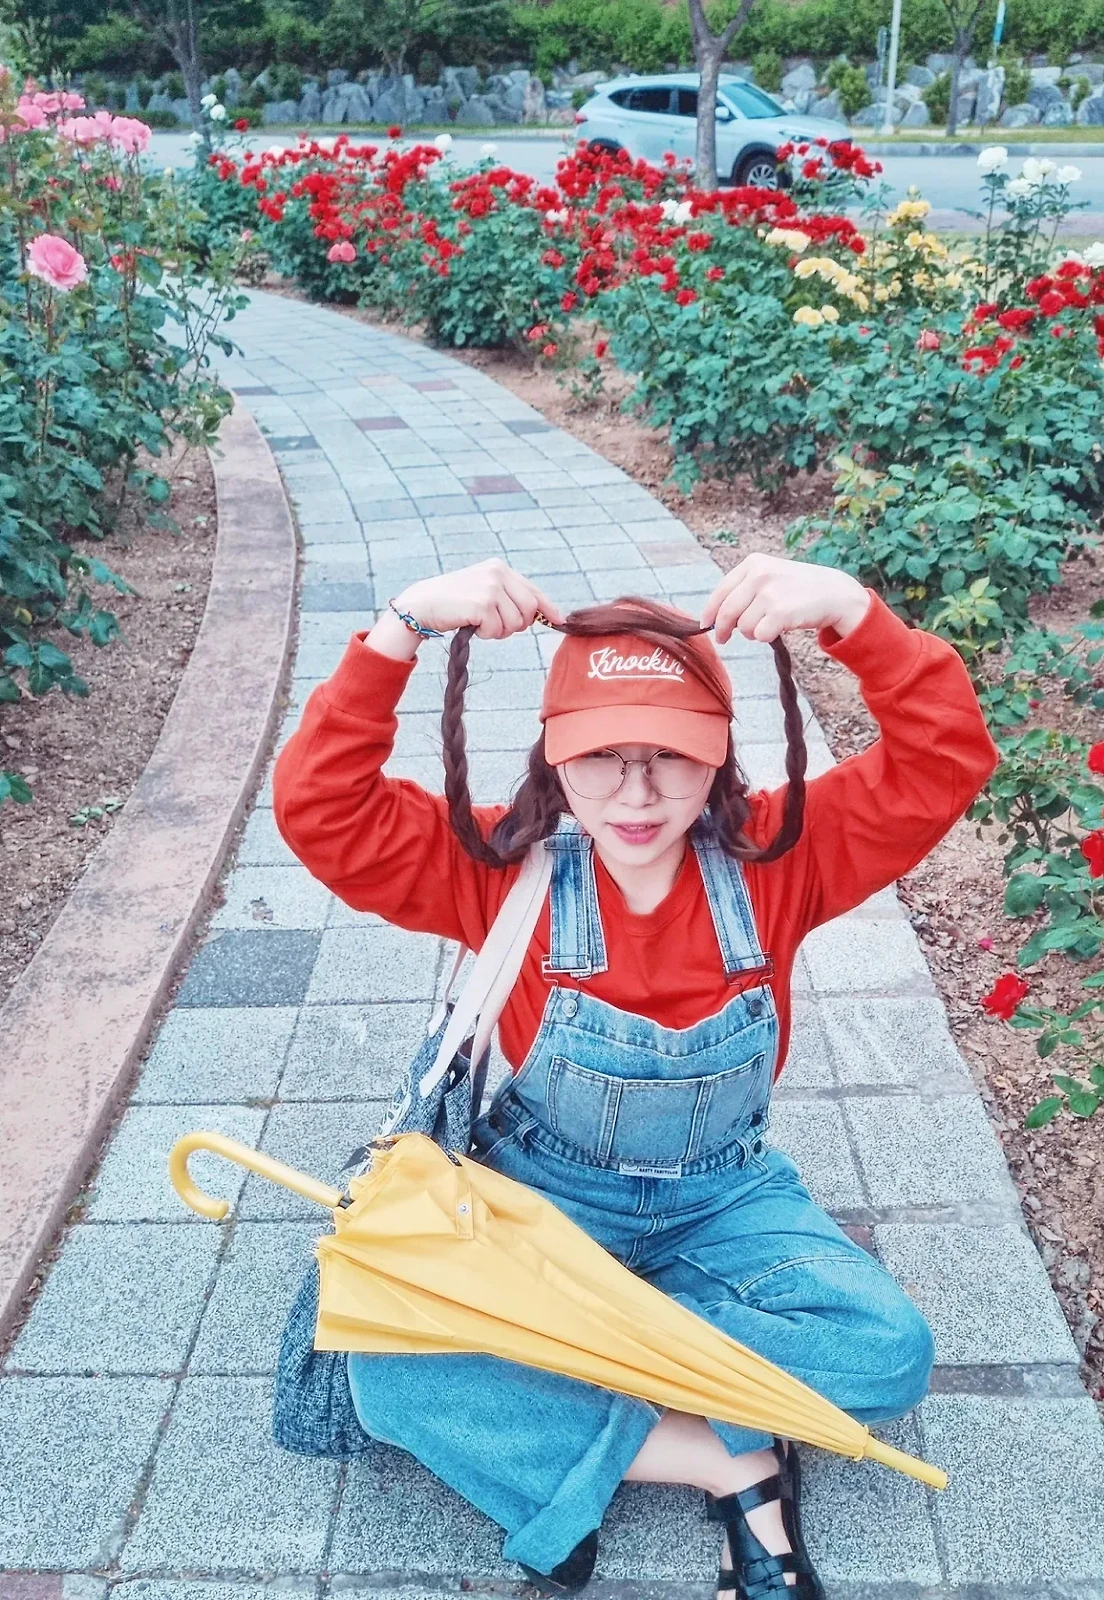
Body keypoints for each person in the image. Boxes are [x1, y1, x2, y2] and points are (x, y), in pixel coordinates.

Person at [272, 551, 999, 1600]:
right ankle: (726, 1459)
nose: (637, 793)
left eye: (670, 755)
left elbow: (942, 759)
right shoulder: (499, 869)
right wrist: (405, 624)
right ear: (554, 758)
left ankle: (587, 1393)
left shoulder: (780, 855)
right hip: (544, 1199)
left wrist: (851, 609)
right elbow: (323, 808)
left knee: (887, 1355)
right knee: (386, 1372)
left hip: (725, 1199)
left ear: (719, 755)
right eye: (601, 757)